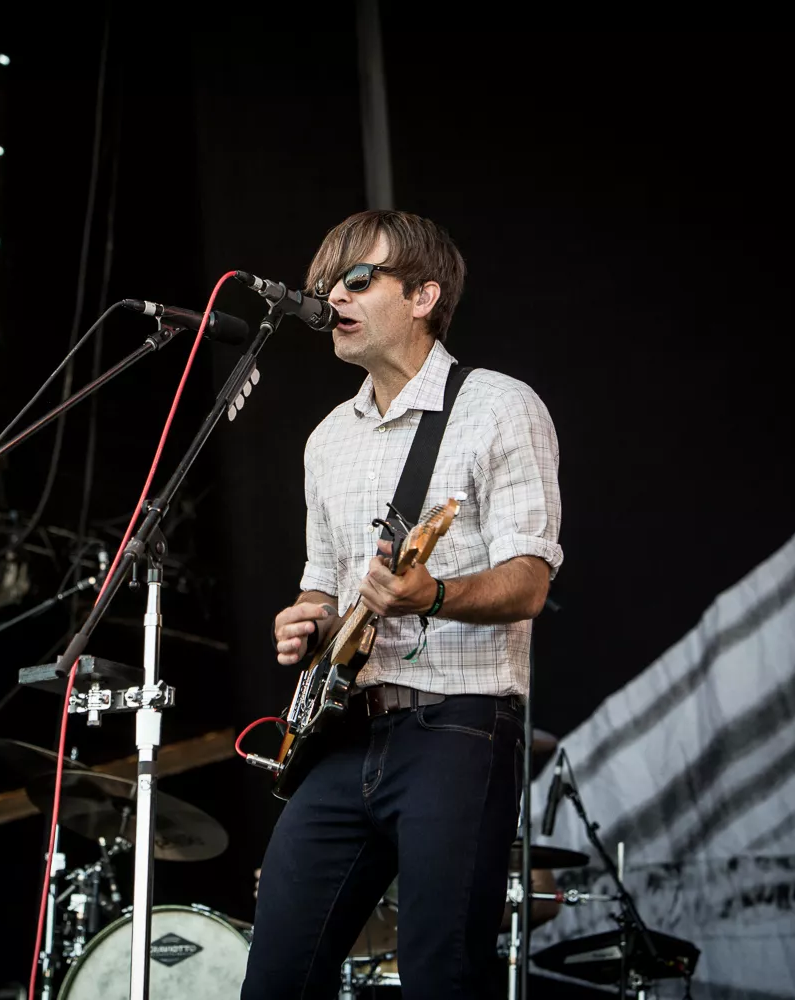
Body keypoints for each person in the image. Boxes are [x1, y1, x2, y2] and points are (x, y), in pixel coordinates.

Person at [242, 210, 562, 999]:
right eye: (324, 286)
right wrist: (308, 617)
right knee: (275, 975)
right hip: (344, 732)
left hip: (458, 726)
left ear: (423, 295)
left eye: (356, 280)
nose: (331, 299)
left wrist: (436, 593)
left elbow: (529, 580)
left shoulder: (497, 406)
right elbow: (323, 579)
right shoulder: (327, 438)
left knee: (442, 977)